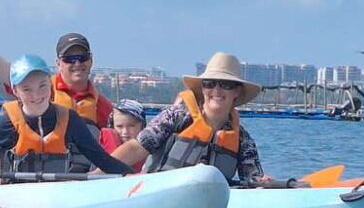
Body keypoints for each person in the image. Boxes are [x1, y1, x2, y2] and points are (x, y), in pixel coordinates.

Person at [0, 55, 135, 184]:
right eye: (27, 89)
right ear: (15, 91)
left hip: (56, 200)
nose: (36, 95)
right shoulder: (7, 124)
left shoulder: (69, 120)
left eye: (42, 86)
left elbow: (102, 160)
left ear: (50, 86)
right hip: (16, 202)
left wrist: (137, 178)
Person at [0, 3, 113, 129]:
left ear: (91, 60)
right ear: (58, 63)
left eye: (82, 57)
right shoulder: (36, 85)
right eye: (69, 59)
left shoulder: (103, 106)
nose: (77, 64)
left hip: (84, 175)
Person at [110, 52, 270, 183]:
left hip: (207, 206)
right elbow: (137, 147)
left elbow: (253, 179)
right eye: (210, 83)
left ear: (237, 92)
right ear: (203, 88)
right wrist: (99, 171)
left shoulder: (243, 140)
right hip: (157, 193)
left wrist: (264, 183)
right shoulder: (175, 117)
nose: (217, 90)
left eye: (226, 84)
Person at [99, 99, 146, 172]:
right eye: (119, 126)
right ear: (112, 126)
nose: (125, 132)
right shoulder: (100, 152)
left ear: (142, 126)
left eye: (131, 126)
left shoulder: (152, 150)